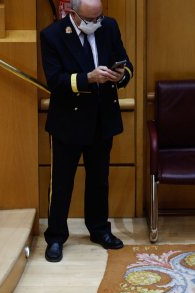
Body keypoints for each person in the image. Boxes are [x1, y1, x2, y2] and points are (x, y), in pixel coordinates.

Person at [40, 0, 133, 263]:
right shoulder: (53, 35)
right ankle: (56, 237)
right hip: (68, 121)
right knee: (62, 183)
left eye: (99, 17)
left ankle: (99, 230)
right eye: (90, 19)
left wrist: (120, 75)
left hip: (102, 120)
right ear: (73, 13)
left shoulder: (109, 27)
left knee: (99, 180)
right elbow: (55, 80)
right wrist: (88, 78)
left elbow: (126, 64)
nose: (96, 23)